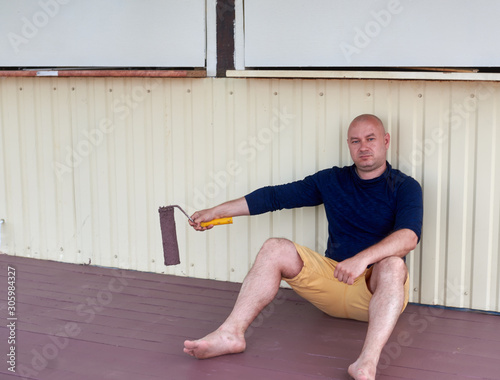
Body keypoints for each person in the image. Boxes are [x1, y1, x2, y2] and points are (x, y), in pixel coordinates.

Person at [183, 114, 423, 380]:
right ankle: (230, 334)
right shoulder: (333, 180)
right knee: (275, 247)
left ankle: (366, 362)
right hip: (335, 280)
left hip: (376, 292)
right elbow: (274, 197)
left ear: (386, 141)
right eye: (355, 141)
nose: (363, 147)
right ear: (348, 145)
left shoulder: (405, 186)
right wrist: (216, 211)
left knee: (393, 264)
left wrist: (362, 259)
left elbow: (408, 237)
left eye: (370, 139)